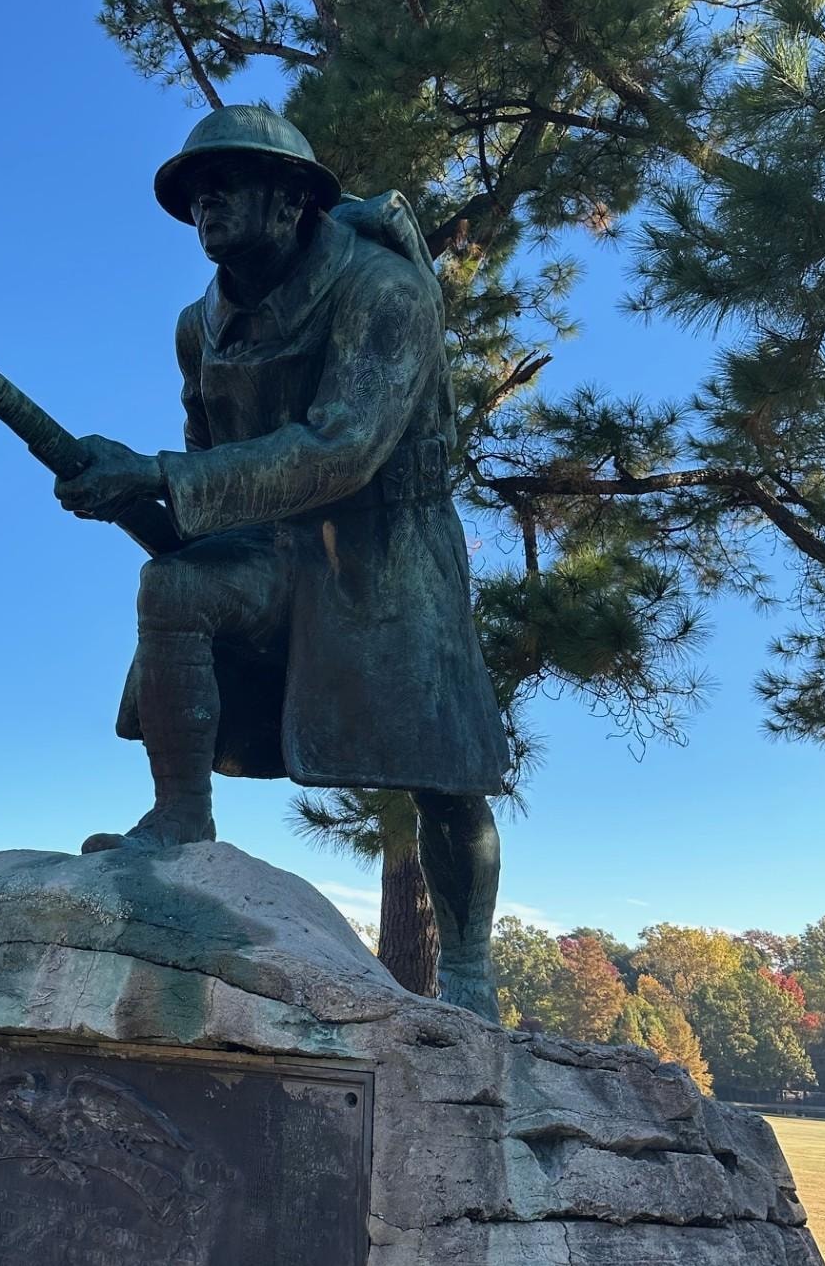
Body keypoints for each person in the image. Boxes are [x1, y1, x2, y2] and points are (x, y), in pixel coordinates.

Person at [55, 105, 509, 1014]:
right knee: (173, 586)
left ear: (295, 197)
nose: (205, 202)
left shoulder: (384, 289)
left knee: (445, 768)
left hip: (389, 543)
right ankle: (181, 820)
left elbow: (342, 446)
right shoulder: (199, 324)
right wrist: (149, 501)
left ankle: (465, 966)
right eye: (193, 190)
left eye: (225, 182)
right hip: (278, 542)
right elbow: (210, 444)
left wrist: (160, 475)